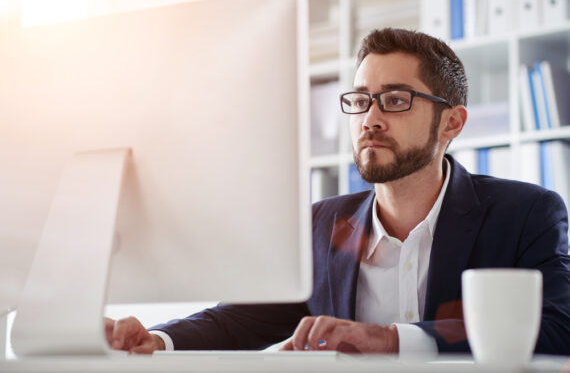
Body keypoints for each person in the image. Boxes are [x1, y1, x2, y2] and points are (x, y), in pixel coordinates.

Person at [106, 28, 570, 356]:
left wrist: (388, 340)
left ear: (452, 122)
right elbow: (239, 319)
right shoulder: (322, 224)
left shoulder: (525, 214)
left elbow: (557, 329)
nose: (369, 118)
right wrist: (156, 339)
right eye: (360, 100)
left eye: (394, 100)